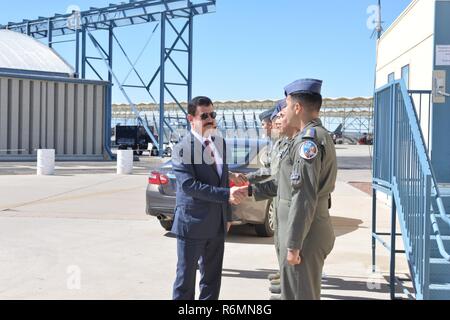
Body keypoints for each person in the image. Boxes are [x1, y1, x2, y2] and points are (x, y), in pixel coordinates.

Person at [171, 96, 248, 300]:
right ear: (191, 118)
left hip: (217, 224)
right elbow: (189, 186)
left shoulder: (219, 143)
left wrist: (228, 215)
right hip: (192, 224)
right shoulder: (182, 148)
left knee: (212, 280)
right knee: (185, 281)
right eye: (204, 115)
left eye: (212, 114)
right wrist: (226, 195)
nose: (210, 119)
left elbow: (220, 179)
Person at [282, 79, 337, 300]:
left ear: (297, 107)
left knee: (301, 295)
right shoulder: (318, 135)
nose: (284, 110)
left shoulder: (308, 142)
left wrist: (294, 244)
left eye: (286, 105)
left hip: (307, 233)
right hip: (311, 227)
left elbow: (304, 195)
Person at [249, 103, 299, 300]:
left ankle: (289, 288)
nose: (274, 122)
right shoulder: (280, 143)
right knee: (280, 242)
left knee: (291, 247)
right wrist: (249, 178)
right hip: (280, 203)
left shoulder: (292, 143)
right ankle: (285, 279)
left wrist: (248, 188)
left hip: (290, 204)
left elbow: (281, 180)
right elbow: (271, 171)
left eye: (279, 117)